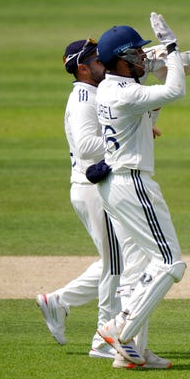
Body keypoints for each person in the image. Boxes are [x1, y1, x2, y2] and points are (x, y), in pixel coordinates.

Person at [94, 13, 187, 370]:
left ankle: (130, 355)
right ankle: (121, 329)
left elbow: (150, 109)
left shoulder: (111, 88)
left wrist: (166, 68)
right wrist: (174, 49)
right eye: (136, 54)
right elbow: (176, 91)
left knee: (145, 267)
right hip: (132, 182)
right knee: (171, 264)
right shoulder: (124, 92)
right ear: (120, 59)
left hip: (117, 184)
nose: (142, 58)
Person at [36, 38, 125, 359]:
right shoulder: (84, 98)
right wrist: (123, 133)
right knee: (118, 265)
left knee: (116, 262)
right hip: (94, 190)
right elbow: (87, 145)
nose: (105, 62)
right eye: (98, 60)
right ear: (83, 68)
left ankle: (59, 301)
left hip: (95, 188)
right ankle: (103, 341)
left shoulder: (95, 93)